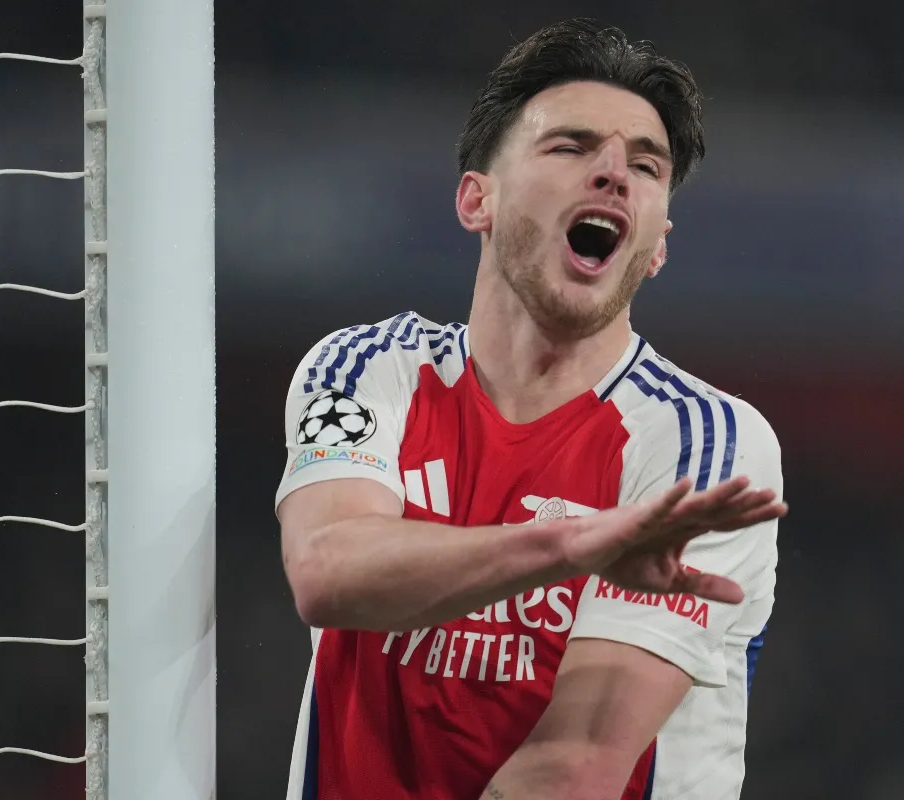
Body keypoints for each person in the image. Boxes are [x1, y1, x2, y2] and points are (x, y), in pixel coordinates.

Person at [274, 18, 787, 800]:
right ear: (476, 199)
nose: (613, 174)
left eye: (645, 165)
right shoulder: (370, 368)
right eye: (571, 147)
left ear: (657, 245)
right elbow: (327, 571)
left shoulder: (705, 443)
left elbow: (572, 769)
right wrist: (573, 545)